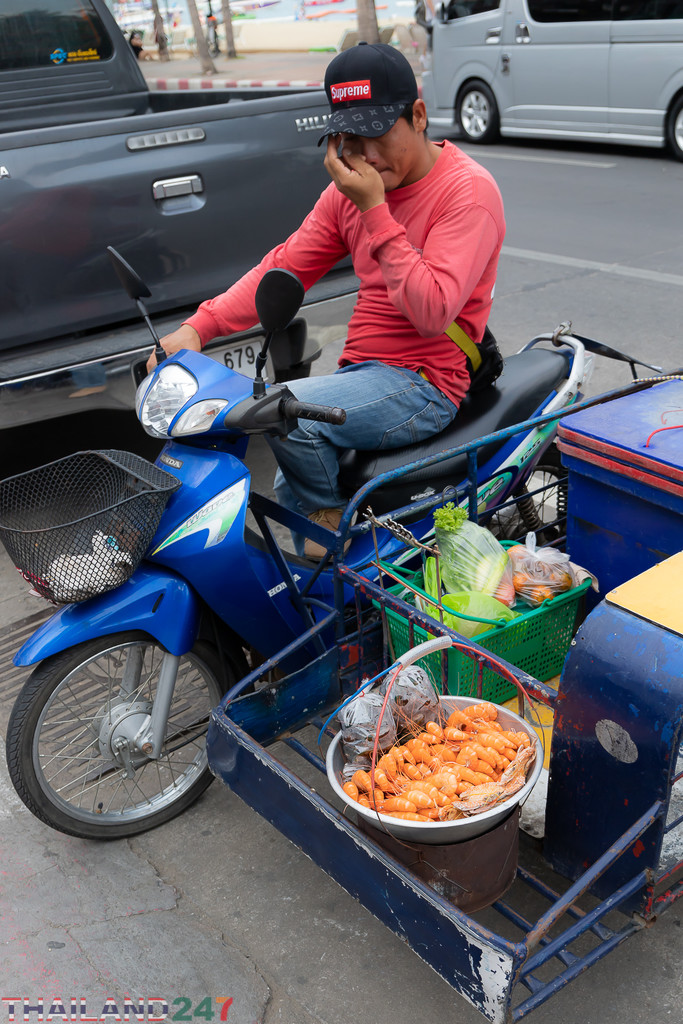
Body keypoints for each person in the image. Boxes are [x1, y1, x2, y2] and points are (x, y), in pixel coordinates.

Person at [148, 42, 506, 558]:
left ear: (419, 116)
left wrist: (376, 212)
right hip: (363, 373)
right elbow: (284, 266)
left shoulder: (466, 193)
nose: (365, 155)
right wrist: (199, 327)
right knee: (280, 467)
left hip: (426, 381)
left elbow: (432, 312)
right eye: (347, 139)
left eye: (377, 134)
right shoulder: (347, 196)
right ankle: (331, 603)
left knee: (290, 418)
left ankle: (338, 547)